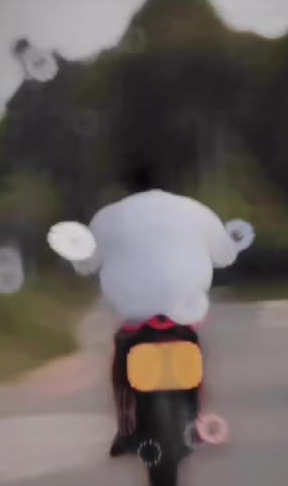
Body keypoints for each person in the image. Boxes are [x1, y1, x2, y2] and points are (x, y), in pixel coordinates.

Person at [70, 172, 248, 456]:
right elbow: (225, 255)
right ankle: (198, 420)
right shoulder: (197, 211)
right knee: (193, 347)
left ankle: (126, 426)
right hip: (182, 314)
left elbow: (85, 264)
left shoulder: (108, 217)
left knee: (123, 350)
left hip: (136, 316)